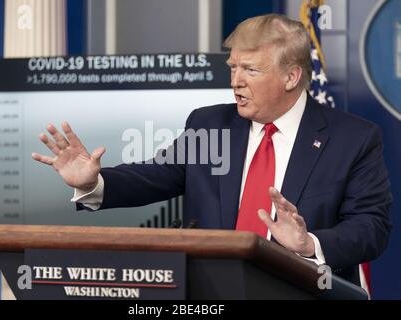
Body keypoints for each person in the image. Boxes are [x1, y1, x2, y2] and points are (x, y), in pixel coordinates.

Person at [32, 14, 392, 286]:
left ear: (291, 77)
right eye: (233, 67)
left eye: (250, 69)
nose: (235, 81)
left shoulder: (352, 139)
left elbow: (371, 227)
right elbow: (156, 175)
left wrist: (309, 243)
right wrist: (95, 183)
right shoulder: (210, 124)